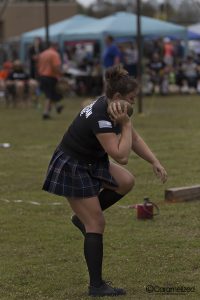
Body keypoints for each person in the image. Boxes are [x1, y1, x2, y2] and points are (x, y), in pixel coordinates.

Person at [42, 65, 167, 297]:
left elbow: (134, 138)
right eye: (132, 99)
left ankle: (83, 218)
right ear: (118, 97)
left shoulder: (115, 106)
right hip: (73, 165)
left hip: (90, 160)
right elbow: (121, 155)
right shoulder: (101, 115)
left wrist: (154, 161)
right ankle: (96, 286)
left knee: (125, 181)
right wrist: (127, 125)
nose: (133, 103)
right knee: (97, 224)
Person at [37, 42, 64, 119]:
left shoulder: (42, 54)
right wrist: (60, 74)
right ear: (55, 46)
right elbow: (56, 67)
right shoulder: (54, 54)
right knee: (49, 96)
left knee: (51, 93)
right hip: (50, 76)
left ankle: (58, 106)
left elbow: (38, 66)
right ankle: (45, 112)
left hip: (42, 76)